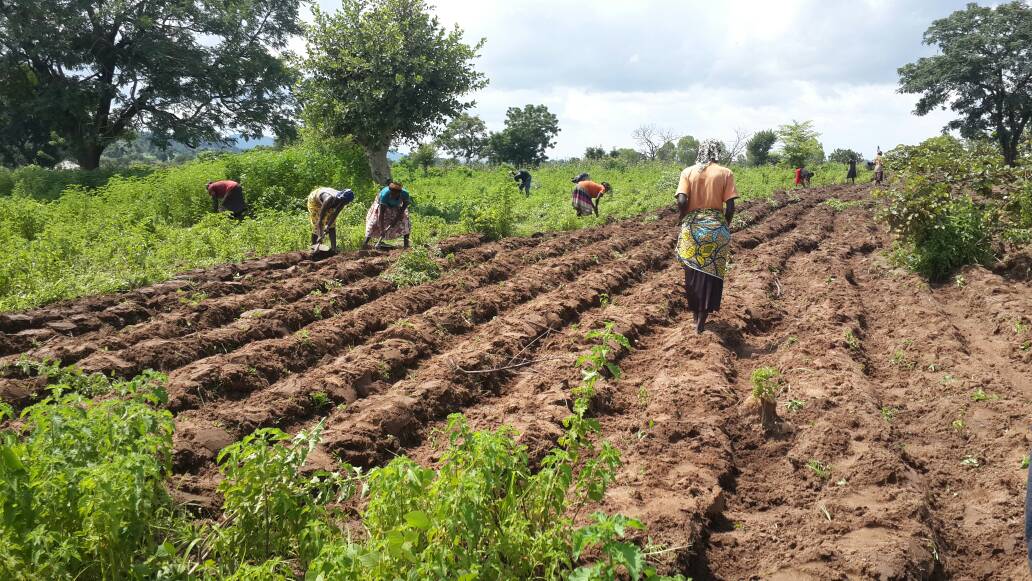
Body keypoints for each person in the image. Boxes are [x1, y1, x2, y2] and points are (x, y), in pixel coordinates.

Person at [675, 139, 737, 334]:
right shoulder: (725, 173)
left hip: (692, 229)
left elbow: (682, 200)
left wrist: (682, 217)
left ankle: (695, 317)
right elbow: (731, 207)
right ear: (716, 153)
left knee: (692, 272)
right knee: (711, 275)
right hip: (716, 229)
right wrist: (724, 225)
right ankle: (703, 316)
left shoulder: (688, 172)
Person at [363, 181, 412, 249]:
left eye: (394, 194)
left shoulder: (405, 194)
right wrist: (382, 229)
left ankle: (406, 246)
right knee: (374, 222)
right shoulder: (385, 195)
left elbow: (404, 206)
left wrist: (397, 218)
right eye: (391, 193)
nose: (392, 195)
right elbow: (381, 214)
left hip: (396, 206)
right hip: (383, 205)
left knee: (405, 222)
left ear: (399, 193)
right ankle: (364, 244)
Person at [307, 187, 355, 255]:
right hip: (315, 201)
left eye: (346, 202)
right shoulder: (328, 199)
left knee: (332, 225)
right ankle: (313, 249)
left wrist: (328, 225)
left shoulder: (343, 201)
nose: (344, 203)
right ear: (340, 197)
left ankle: (333, 250)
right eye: (343, 201)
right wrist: (320, 235)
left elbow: (334, 215)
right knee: (316, 226)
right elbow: (320, 220)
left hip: (329, 203)